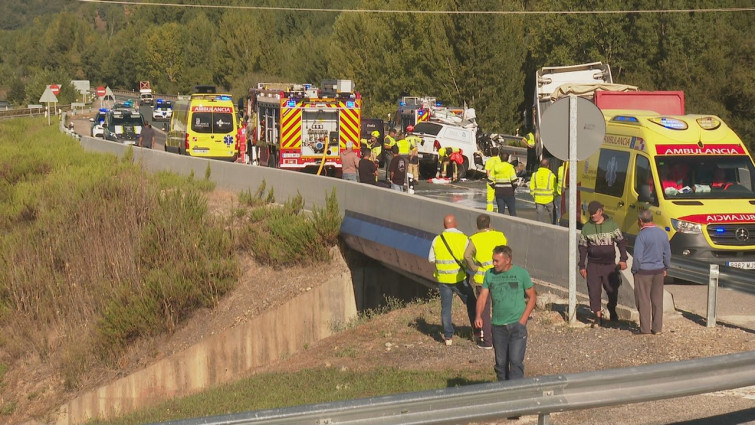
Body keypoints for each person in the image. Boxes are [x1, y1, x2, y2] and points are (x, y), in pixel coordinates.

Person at [474, 245, 536, 382]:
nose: (493, 264)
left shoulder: (521, 274)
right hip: (498, 326)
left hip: (517, 325)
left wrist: (523, 320)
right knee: (501, 364)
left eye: (497, 261)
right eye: (493, 260)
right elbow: (483, 297)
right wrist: (478, 315)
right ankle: (503, 391)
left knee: (515, 361)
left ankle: (516, 393)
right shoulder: (489, 274)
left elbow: (532, 296)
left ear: (507, 260)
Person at [578, 200, 629, 326]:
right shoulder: (587, 228)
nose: (592, 216)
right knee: (594, 291)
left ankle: (612, 309)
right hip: (593, 265)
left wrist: (623, 259)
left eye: (595, 213)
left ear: (601, 212)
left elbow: (621, 242)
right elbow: (582, 248)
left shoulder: (612, 225)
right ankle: (598, 317)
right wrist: (582, 266)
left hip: (609, 265)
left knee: (612, 290)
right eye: (591, 213)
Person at [428, 214, 477, 346]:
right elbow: (469, 257)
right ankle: (477, 331)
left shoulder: (437, 239)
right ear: (456, 224)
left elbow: (431, 259)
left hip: (443, 280)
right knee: (472, 303)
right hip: (459, 278)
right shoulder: (463, 238)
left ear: (444, 225)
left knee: (446, 308)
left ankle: (448, 337)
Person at [464, 214, 508, 349]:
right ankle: (501, 339)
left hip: (482, 279)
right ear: (489, 224)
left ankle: (487, 341)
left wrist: (474, 268)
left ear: (477, 226)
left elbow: (466, 255)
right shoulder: (500, 236)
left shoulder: (475, 239)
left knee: (484, 310)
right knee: (499, 308)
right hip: (499, 277)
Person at [632, 209, 671, 335]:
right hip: (659, 270)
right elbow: (667, 253)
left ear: (640, 221)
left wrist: (635, 269)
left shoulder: (642, 236)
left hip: (644, 271)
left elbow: (638, 256)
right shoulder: (662, 233)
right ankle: (657, 328)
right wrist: (666, 267)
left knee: (643, 300)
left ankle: (645, 329)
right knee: (657, 300)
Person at [529, 158, 557, 224]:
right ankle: (554, 228)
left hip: (538, 199)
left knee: (539, 218)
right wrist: (554, 195)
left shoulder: (535, 174)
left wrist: (534, 195)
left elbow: (532, 187)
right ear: (548, 166)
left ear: (540, 165)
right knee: (553, 216)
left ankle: (539, 231)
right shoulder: (551, 175)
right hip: (549, 199)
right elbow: (555, 188)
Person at [492, 152, 518, 216]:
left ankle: (500, 225)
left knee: (500, 212)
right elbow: (514, 181)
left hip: (499, 192)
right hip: (508, 192)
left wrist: (495, 187)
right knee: (512, 213)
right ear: (508, 158)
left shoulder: (496, 167)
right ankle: (513, 225)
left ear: (500, 158)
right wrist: (513, 188)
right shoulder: (510, 167)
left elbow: (490, 180)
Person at [484, 147, 500, 212]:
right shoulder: (500, 160)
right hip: (499, 182)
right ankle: (499, 211)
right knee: (499, 198)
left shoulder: (488, 161)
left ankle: (489, 211)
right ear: (498, 153)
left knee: (490, 199)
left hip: (490, 182)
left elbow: (488, 174)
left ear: (491, 152)